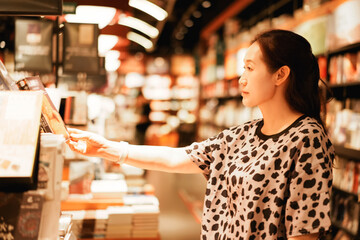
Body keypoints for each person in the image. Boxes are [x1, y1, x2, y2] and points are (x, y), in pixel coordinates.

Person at [67, 29, 335, 240]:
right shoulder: (244, 134)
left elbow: (305, 231)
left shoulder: (306, 138)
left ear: (281, 74)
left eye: (250, 68)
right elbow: (178, 158)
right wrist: (105, 148)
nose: (242, 78)